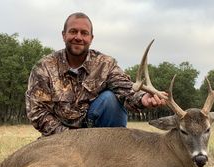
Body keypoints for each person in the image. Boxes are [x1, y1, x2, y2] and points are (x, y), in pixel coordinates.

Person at [26, 12, 167, 137]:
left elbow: (126, 90)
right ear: (64, 35)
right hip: (59, 138)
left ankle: (112, 152)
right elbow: (37, 112)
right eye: (73, 31)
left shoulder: (105, 64)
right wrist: (71, 138)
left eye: (84, 33)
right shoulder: (43, 67)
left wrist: (143, 99)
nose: (78, 37)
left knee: (110, 100)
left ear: (91, 38)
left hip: (97, 138)